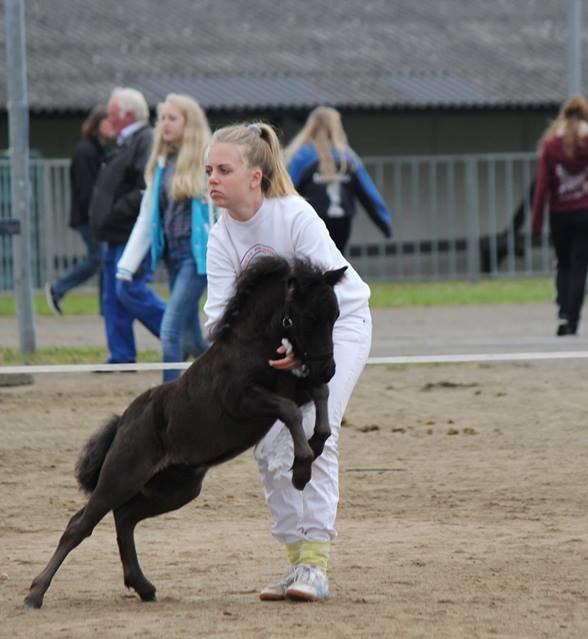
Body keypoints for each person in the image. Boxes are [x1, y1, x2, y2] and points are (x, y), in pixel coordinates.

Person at [203, 122, 372, 601]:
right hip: (278, 346)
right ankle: (296, 564)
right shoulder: (220, 236)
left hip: (338, 329)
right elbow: (217, 319)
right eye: (209, 170)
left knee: (315, 430)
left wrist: (299, 351)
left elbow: (327, 295)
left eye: (224, 170)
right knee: (267, 444)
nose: (212, 179)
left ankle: (316, 566)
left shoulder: (295, 215)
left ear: (255, 177)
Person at [116, 94, 212, 382]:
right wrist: (127, 265)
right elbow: (147, 216)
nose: (164, 124)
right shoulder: (161, 162)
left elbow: (218, 213)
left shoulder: (206, 162)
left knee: (170, 329)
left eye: (172, 118)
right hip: (172, 256)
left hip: (196, 259)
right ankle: (229, 381)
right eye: (162, 119)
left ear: (189, 123)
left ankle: (167, 400)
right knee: (193, 341)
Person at [89, 87, 160, 366]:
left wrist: (116, 212)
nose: (108, 120)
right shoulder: (125, 142)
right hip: (115, 234)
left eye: (112, 114)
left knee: (129, 290)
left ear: (128, 114)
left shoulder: (144, 140)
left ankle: (178, 335)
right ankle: (121, 355)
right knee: (112, 298)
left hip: (131, 233)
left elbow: (144, 186)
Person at [531, 96, 588, 336]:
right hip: (585, 211)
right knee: (580, 267)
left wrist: (536, 221)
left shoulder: (551, 145)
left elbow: (542, 184)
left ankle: (563, 312)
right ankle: (573, 320)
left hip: (559, 213)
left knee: (563, 264)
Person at [284, 106, 392, 252]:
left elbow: (286, 190)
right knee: (336, 260)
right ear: (336, 127)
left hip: (312, 221)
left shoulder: (301, 155)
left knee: (312, 259)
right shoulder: (347, 156)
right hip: (342, 223)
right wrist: (384, 222)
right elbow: (368, 192)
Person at [44, 106, 113, 315]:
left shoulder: (98, 150)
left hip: (94, 216)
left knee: (102, 259)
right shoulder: (86, 151)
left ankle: (105, 306)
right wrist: (97, 214)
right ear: (97, 125)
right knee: (99, 258)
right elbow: (86, 190)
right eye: (108, 122)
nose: (113, 126)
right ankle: (58, 288)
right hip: (88, 217)